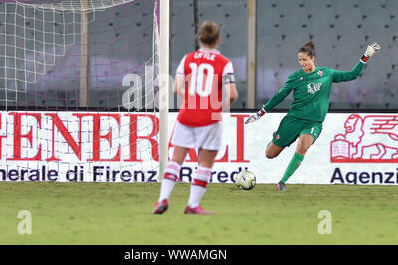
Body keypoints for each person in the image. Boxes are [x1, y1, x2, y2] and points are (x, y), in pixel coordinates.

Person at [245, 41, 381, 191]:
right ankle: (275, 137)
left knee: (303, 145)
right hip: (293, 120)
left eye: (305, 59)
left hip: (313, 123)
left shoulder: (327, 74)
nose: (302, 63)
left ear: (313, 58)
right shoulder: (295, 77)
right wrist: (261, 112)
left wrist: (366, 56)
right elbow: (280, 95)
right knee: (270, 154)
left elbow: (352, 75)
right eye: (300, 60)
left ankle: (282, 182)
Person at [152, 21, 238, 214]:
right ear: (218, 40)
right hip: (210, 116)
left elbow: (176, 88)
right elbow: (232, 94)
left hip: (187, 114)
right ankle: (192, 205)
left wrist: (193, 99)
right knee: (205, 162)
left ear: (199, 38)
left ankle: (162, 199)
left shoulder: (188, 59)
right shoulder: (225, 63)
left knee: (176, 159)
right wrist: (219, 106)